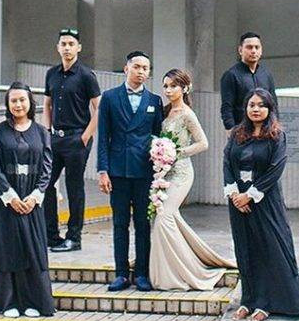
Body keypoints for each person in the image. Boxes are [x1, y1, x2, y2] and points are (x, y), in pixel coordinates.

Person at [223, 89, 299, 321]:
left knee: (268, 250)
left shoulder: (277, 135)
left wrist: (249, 195)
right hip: (237, 201)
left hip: (264, 201)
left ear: (269, 109)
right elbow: (227, 163)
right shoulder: (237, 133)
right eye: (251, 105)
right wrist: (234, 194)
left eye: (261, 105)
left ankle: (266, 302)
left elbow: (275, 170)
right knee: (245, 249)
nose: (256, 109)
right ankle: (248, 300)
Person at [149, 68, 234, 291]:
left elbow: (203, 143)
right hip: (164, 173)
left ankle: (186, 271)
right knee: (166, 218)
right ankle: (172, 267)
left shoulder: (188, 114)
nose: (168, 90)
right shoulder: (165, 111)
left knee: (164, 219)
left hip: (182, 173)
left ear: (184, 88)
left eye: (173, 86)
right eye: (165, 86)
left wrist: (176, 152)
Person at [0, 82, 55, 318]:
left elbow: (47, 166)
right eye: (13, 100)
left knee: (32, 249)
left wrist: (36, 195)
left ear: (30, 102)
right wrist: (11, 196)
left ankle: (35, 301)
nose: (18, 104)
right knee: (8, 249)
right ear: (7, 104)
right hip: (6, 201)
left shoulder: (41, 132)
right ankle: (8, 302)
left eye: (22, 100)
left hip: (32, 201)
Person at [97, 50, 163, 292]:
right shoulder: (110, 98)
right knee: (119, 223)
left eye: (146, 68)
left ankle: (142, 273)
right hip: (118, 170)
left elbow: (158, 137)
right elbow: (103, 136)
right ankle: (121, 273)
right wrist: (102, 170)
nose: (142, 72)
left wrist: (160, 171)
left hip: (145, 172)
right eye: (137, 67)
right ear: (126, 69)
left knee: (143, 224)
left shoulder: (155, 101)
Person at [43, 28, 101, 253]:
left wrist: (85, 136)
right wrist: (47, 131)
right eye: (63, 44)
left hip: (78, 138)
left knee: (74, 187)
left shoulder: (86, 75)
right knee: (46, 183)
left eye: (71, 44)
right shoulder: (51, 74)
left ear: (79, 48)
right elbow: (46, 104)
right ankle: (51, 235)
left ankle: (74, 237)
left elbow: (99, 108)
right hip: (55, 138)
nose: (67, 48)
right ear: (58, 47)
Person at [220, 32, 278, 131]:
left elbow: (274, 105)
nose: (253, 51)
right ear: (240, 50)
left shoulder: (266, 75)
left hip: (265, 131)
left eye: (257, 47)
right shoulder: (231, 75)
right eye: (249, 47)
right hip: (242, 132)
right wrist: (231, 130)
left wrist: (275, 126)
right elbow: (227, 107)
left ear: (261, 50)